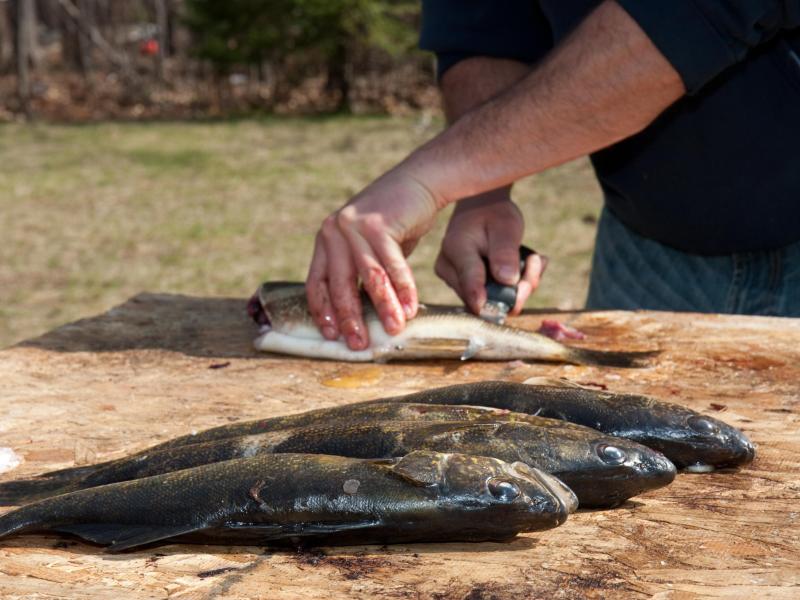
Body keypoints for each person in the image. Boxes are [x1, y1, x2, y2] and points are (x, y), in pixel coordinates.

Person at [304, 0, 800, 351]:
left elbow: (686, 20)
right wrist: (483, 191)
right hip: (647, 247)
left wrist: (430, 178)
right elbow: (483, 26)